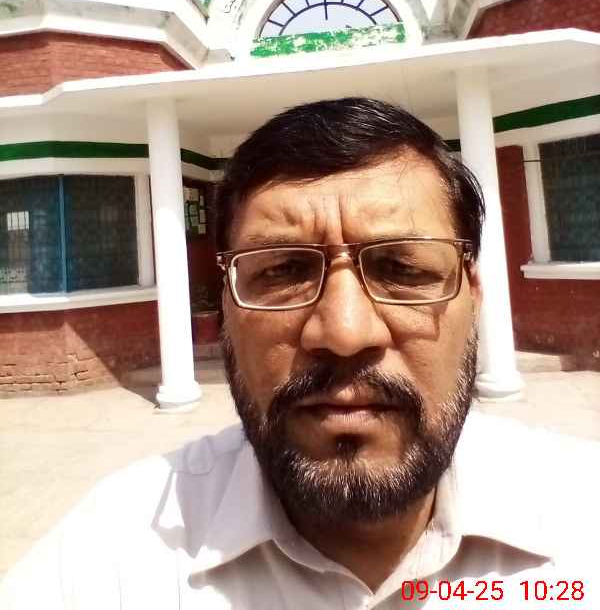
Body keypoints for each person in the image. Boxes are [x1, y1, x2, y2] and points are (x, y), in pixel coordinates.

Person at [1, 97, 597, 609]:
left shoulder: (582, 512)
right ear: (226, 307)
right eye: (283, 271)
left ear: (473, 294)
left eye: (402, 269)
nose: (343, 333)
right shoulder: (109, 554)